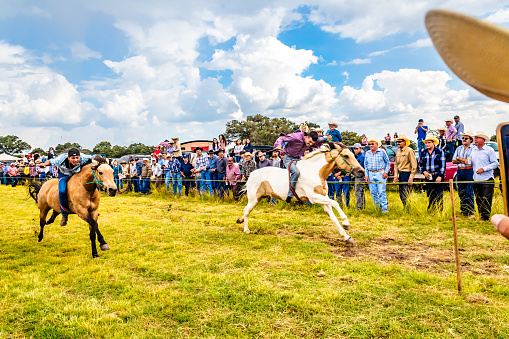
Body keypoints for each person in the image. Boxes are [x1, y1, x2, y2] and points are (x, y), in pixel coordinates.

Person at [41, 148, 97, 226]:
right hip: (64, 175)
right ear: (68, 158)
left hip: (76, 174)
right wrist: (43, 164)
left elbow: (95, 157)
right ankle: (64, 214)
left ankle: (91, 209)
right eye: (73, 158)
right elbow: (49, 161)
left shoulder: (84, 157)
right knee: (62, 191)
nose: (75, 160)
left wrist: (103, 159)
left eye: (77, 158)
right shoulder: (60, 159)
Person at [274, 130, 324, 203]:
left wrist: (328, 140)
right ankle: (290, 194)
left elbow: (321, 142)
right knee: (296, 172)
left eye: (311, 143)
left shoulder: (312, 142)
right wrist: (278, 145)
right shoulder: (296, 137)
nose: (309, 144)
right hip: (288, 158)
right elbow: (282, 138)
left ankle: (305, 192)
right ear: (306, 137)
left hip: (298, 158)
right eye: (309, 141)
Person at [471, 132, 499, 221]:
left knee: (486, 198)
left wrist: (484, 169)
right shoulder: (473, 150)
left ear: (483, 140)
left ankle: (485, 217)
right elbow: (470, 161)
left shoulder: (489, 150)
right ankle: (481, 214)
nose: (475, 139)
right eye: (475, 138)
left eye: (477, 138)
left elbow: (495, 163)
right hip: (476, 178)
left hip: (487, 178)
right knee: (478, 198)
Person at [418, 136, 445, 211]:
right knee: (430, 193)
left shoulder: (439, 151)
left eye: (429, 142)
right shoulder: (423, 152)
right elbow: (420, 164)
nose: (427, 144)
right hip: (428, 175)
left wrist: (440, 176)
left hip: (437, 174)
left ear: (433, 143)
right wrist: (424, 171)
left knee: (439, 193)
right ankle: (431, 209)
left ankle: (440, 210)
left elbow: (442, 165)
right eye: (426, 143)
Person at [452, 131, 475, 217]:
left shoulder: (473, 149)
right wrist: (462, 160)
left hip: (469, 170)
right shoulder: (459, 148)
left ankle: (470, 211)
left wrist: (459, 158)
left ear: (471, 140)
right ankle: (464, 210)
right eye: (463, 138)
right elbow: (453, 160)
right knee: (461, 191)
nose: (464, 140)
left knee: (469, 191)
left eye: (466, 138)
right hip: (460, 170)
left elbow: (469, 162)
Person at [364, 138, 390, 213]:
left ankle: (384, 209)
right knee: (373, 192)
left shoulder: (382, 152)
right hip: (371, 173)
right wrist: (366, 175)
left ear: (377, 144)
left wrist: (386, 172)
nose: (371, 145)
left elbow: (387, 162)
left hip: (380, 173)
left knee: (381, 192)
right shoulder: (367, 153)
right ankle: (377, 208)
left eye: (373, 144)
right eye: (370, 144)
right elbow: (365, 165)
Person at [393, 135, 417, 208]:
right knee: (401, 193)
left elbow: (414, 165)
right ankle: (405, 207)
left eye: (399, 142)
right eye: (397, 142)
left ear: (405, 142)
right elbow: (396, 164)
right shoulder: (398, 151)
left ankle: (408, 208)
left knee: (406, 192)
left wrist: (411, 177)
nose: (398, 143)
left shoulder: (409, 151)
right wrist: (396, 175)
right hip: (400, 174)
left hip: (407, 174)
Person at [352, 143, 365, 210]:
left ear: (360, 149)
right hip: (358, 176)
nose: (355, 150)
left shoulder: (361, 156)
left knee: (357, 192)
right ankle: (363, 206)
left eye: (357, 149)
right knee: (361, 191)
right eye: (355, 149)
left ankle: (359, 207)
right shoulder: (356, 156)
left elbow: (360, 168)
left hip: (360, 176)